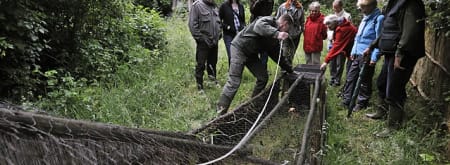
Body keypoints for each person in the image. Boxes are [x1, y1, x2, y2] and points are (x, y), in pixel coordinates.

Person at [364, 0, 425, 137]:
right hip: (391, 53)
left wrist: (400, 53)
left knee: (394, 88)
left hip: (403, 55)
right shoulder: (393, 4)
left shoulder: (410, 4)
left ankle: (393, 126)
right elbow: (387, 29)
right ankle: (382, 112)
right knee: (382, 82)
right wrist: (372, 45)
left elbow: (410, 31)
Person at [217, 14, 295, 114]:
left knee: (263, 77)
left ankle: (252, 105)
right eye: (288, 29)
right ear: (285, 24)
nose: (287, 32)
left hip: (251, 54)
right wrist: (277, 33)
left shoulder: (274, 39)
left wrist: (290, 70)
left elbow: (277, 56)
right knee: (234, 82)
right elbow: (258, 26)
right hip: (239, 48)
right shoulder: (269, 20)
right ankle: (220, 111)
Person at [341, 0, 384, 112]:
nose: (360, 10)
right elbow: (358, 37)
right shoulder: (365, 17)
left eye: (363, 7)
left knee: (364, 80)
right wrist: (353, 51)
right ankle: (347, 100)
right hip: (357, 54)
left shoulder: (378, 19)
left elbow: (379, 40)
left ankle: (361, 103)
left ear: (371, 6)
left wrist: (374, 57)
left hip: (367, 55)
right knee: (351, 77)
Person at [188, 0, 222, 92]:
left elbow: (218, 22)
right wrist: (201, 39)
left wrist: (219, 34)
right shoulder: (197, 5)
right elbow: (192, 24)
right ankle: (200, 87)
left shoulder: (214, 6)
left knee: (213, 63)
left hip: (214, 41)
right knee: (201, 64)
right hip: (203, 41)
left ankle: (212, 80)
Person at [328, 0, 352, 86]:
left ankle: (337, 80)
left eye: (336, 7)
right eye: (333, 7)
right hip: (332, 42)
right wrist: (330, 38)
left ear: (341, 7)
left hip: (342, 43)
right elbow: (329, 28)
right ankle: (332, 77)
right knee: (332, 62)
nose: (334, 9)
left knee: (339, 62)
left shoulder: (347, 16)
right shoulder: (332, 16)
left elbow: (348, 30)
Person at [275, 0, 304, 66]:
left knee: (292, 53)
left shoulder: (300, 7)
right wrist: (278, 31)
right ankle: (283, 69)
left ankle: (289, 68)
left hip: (295, 34)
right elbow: (277, 20)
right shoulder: (282, 7)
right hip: (284, 33)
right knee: (284, 52)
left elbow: (302, 21)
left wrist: (301, 30)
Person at [219, 0, 246, 67]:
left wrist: (242, 26)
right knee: (231, 55)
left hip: (239, 35)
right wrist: (227, 27)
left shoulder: (241, 6)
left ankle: (238, 73)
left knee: (240, 55)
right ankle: (232, 74)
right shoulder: (224, 6)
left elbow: (243, 20)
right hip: (228, 35)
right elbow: (218, 20)